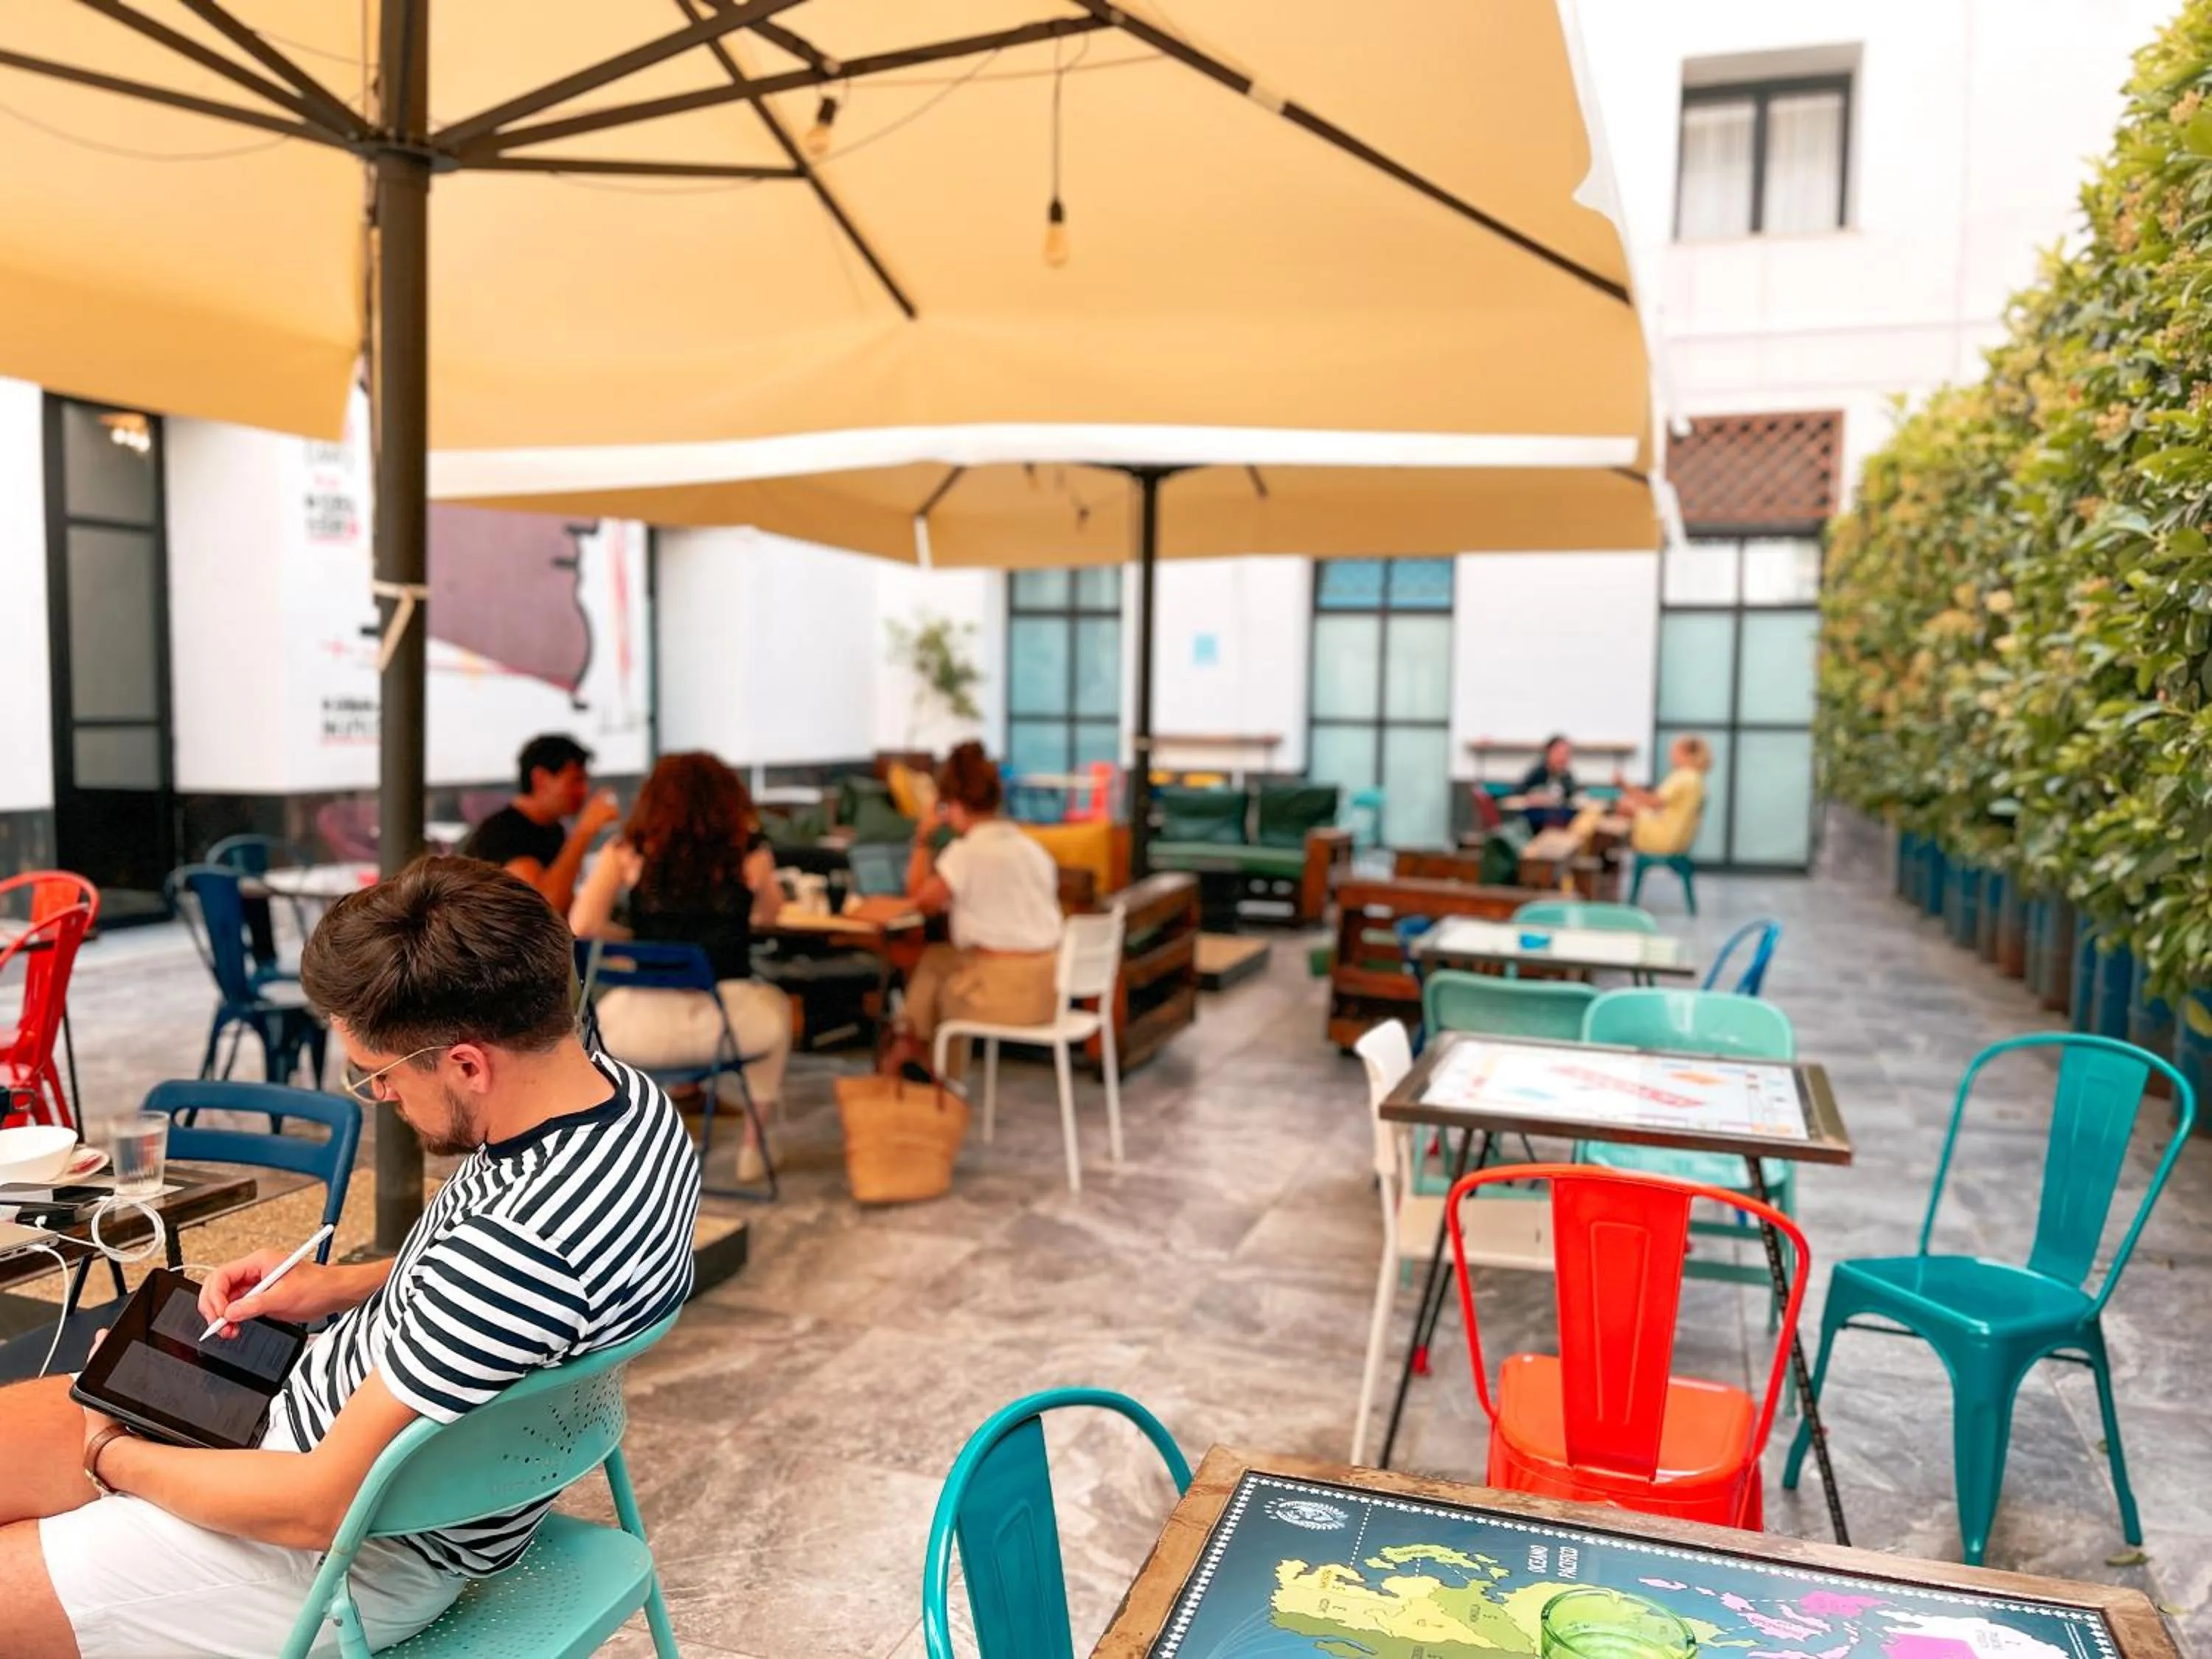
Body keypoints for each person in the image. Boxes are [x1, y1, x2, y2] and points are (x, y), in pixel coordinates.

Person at [0, 859, 700, 1658]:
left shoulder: (520, 1252)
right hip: (292, 1423)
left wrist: (113, 1453)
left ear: (469, 1063)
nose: (383, 1098)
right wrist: (334, 1285)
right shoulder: (629, 1108)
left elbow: (317, 1505)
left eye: (377, 1077)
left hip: (348, 1547)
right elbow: (495, 1299)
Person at [570, 751, 793, 1179]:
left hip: (634, 1030)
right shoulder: (749, 854)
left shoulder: (625, 852)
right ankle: (753, 1146)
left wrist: (636, 942)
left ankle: (637, 1152)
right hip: (728, 1027)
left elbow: (582, 924)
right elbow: (770, 916)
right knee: (777, 1007)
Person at [880, 742, 1063, 1082]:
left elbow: (920, 899)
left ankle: (919, 1064)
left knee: (937, 990)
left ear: (951, 805)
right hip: (1051, 992)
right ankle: (921, 1059)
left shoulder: (966, 854)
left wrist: (923, 838)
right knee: (937, 962)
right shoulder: (1033, 849)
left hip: (1006, 996)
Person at [459, 733, 621, 914]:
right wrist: (584, 831)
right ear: (540, 779)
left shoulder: (554, 830)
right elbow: (543, 909)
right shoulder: (505, 832)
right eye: (575, 780)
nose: (584, 790)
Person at [1585, 733, 1713, 856]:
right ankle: (1606, 857)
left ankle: (1599, 861)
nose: (1671, 756)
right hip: (1677, 839)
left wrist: (1624, 786)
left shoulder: (1683, 777)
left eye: (1674, 752)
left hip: (1665, 838)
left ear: (1685, 753)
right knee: (1624, 810)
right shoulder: (1696, 778)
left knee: (1619, 810)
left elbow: (1653, 802)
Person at [1516, 734, 1579, 831]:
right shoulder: (1538, 772)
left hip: (1560, 818)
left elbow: (1570, 795)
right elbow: (1520, 791)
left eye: (1567, 754)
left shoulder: (1566, 775)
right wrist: (1535, 796)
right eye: (1559, 753)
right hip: (1537, 821)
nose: (1563, 758)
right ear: (1548, 753)